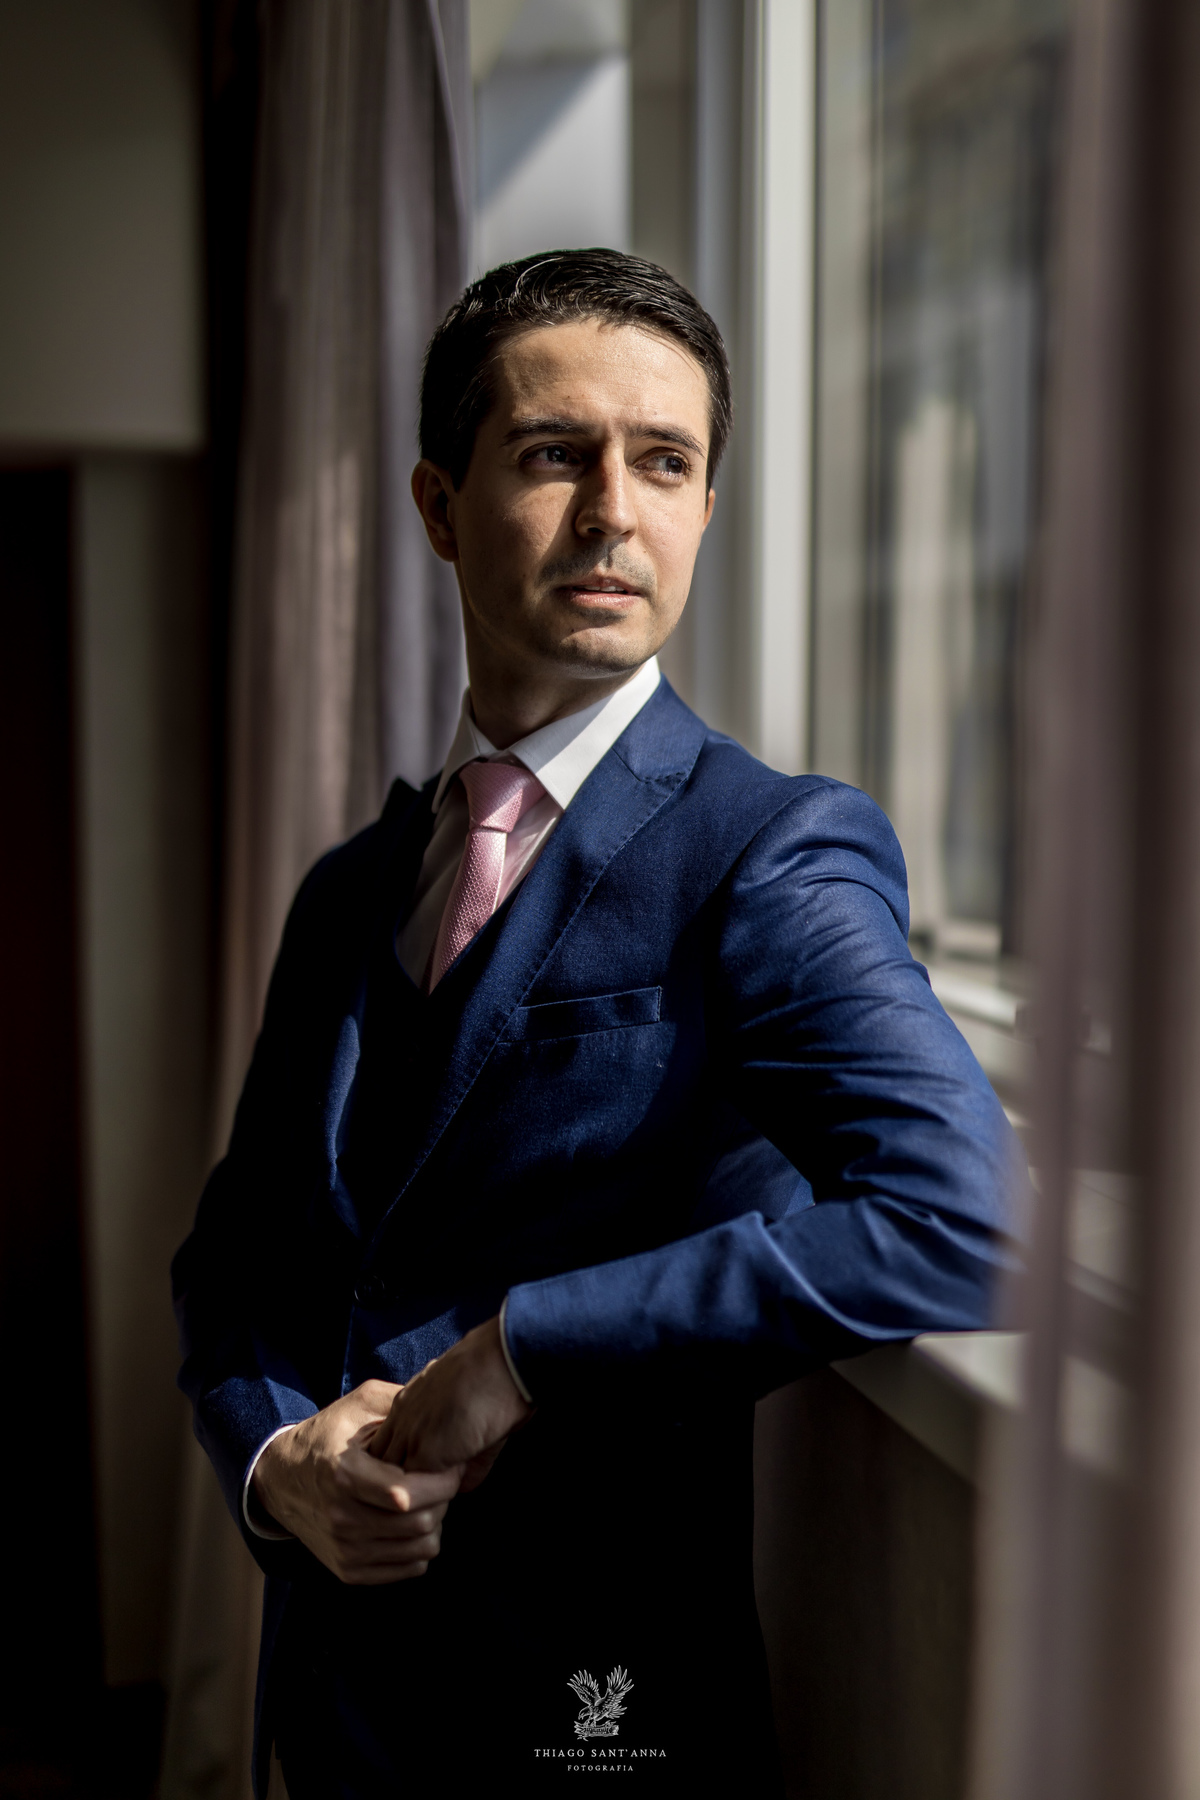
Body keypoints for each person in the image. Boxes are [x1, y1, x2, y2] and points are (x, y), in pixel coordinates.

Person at [173, 248, 1020, 1798]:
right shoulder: (349, 890)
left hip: (597, 1712)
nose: (614, 511)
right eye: (558, 453)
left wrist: (525, 1349)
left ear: (706, 508)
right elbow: (234, 1268)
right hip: (334, 1701)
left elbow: (966, 1216)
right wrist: (277, 1462)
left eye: (666, 462)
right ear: (441, 506)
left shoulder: (769, 849)